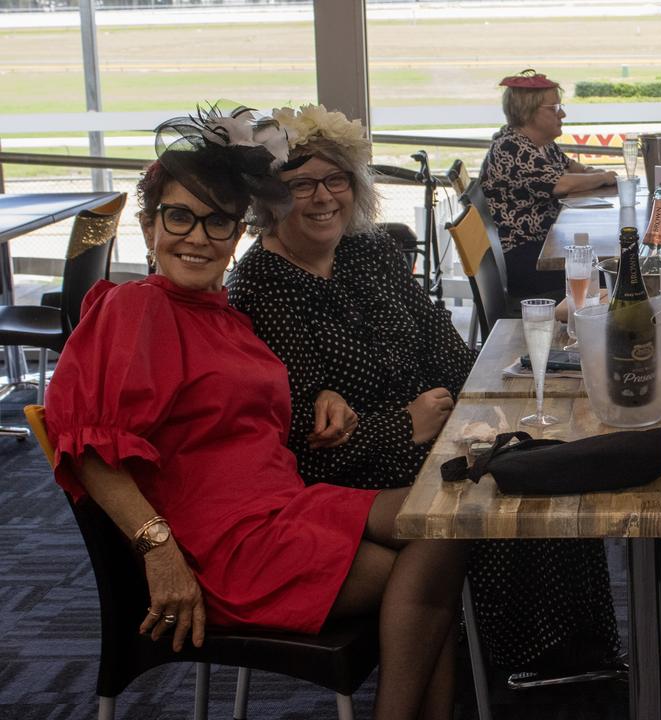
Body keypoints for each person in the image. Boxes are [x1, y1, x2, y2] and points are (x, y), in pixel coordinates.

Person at [43, 108, 466, 720]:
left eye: (218, 222)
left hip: (286, 504)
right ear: (147, 225)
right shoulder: (135, 309)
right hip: (222, 548)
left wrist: (325, 397)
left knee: (448, 519)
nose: (198, 237)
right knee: (425, 575)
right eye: (179, 216)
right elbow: (85, 448)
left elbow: (251, 408)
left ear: (237, 233)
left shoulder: (223, 315)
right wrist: (158, 551)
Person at [227, 104, 621, 675]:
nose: (323, 197)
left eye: (335, 179)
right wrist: (405, 424)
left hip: (436, 431)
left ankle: (568, 652)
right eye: (301, 184)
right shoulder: (260, 287)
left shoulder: (370, 251)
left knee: (551, 446)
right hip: (354, 475)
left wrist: (486, 411)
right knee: (517, 488)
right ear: (268, 200)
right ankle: (503, 658)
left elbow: (446, 348)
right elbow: (299, 438)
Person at [480, 69, 617, 298]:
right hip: (525, 259)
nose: (562, 114)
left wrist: (595, 172)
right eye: (554, 108)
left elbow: (573, 169)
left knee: (612, 264)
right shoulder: (511, 148)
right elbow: (562, 184)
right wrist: (604, 177)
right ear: (528, 112)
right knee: (615, 272)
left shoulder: (541, 145)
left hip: (545, 247)